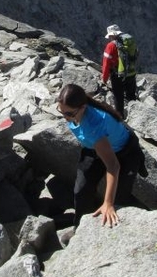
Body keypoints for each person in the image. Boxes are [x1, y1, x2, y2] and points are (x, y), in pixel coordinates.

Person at [57, 83, 147, 228]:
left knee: (119, 199)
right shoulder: (74, 112)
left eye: (69, 114)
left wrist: (108, 203)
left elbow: (113, 165)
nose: (65, 118)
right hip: (94, 148)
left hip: (124, 153)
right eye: (62, 112)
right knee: (81, 191)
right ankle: (79, 229)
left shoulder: (94, 125)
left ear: (83, 107)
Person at [101, 24, 137, 118]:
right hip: (131, 72)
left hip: (118, 75)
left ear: (112, 35)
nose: (109, 38)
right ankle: (136, 115)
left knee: (118, 97)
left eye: (109, 36)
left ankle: (120, 118)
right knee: (131, 96)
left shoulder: (111, 46)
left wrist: (104, 79)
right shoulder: (129, 42)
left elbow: (106, 63)